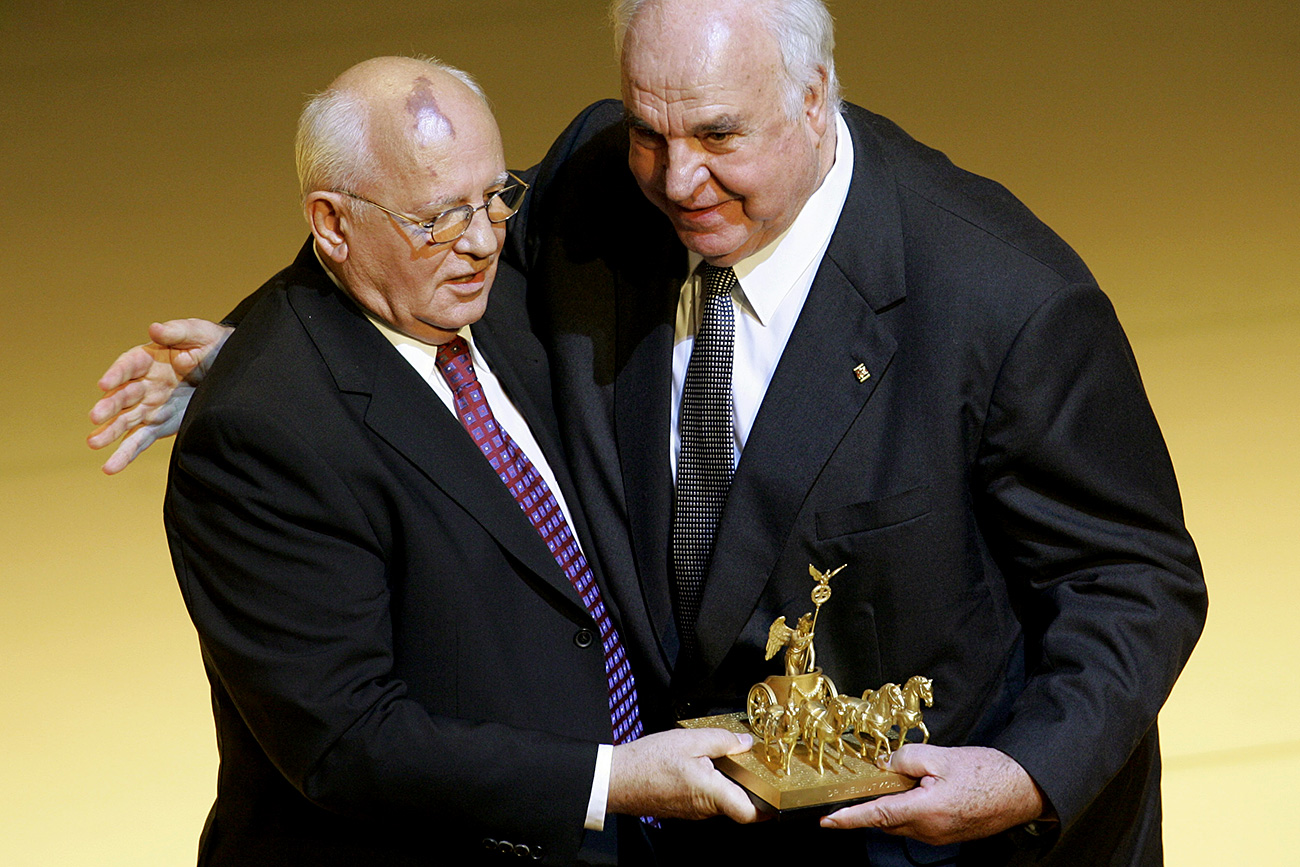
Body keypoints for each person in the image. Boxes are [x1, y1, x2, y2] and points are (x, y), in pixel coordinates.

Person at [91, 3, 1207, 864]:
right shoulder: (599, 179)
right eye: (649, 132)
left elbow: (1134, 576)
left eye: (719, 135)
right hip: (694, 833)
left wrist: (1025, 776)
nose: (678, 181)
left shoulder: (1001, 300)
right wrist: (256, 352)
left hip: (925, 847)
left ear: (816, 98)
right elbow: (417, 235)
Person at [133, 55, 757, 867]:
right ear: (331, 222)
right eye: (437, 219)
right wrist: (609, 779)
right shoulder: (259, 436)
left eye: (494, 198)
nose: (480, 243)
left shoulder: (491, 293)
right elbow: (348, 742)